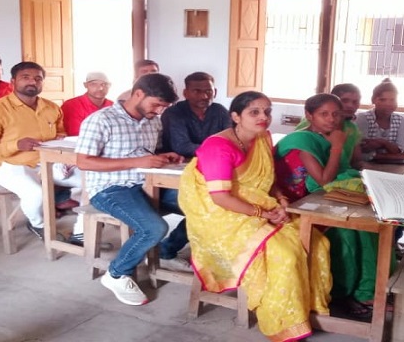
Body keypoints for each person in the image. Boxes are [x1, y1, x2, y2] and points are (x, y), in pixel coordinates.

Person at [179, 91, 332, 341]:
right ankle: (283, 321)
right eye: (254, 112)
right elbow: (220, 198)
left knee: (315, 241)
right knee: (285, 253)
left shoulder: (262, 138)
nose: (264, 117)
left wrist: (281, 201)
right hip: (222, 216)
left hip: (256, 207)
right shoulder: (218, 146)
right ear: (236, 116)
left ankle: (308, 306)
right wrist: (264, 213)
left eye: (267, 111)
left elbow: (266, 181)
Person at [75, 73, 188, 306]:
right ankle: (116, 273)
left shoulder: (153, 120)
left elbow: (146, 154)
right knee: (154, 227)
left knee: (204, 205)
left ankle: (167, 252)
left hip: (147, 182)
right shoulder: (100, 120)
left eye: (164, 107)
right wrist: (138, 162)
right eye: (156, 104)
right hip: (110, 189)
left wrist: (161, 157)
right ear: (138, 94)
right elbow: (84, 162)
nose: (159, 111)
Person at [275, 93, 376, 320]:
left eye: (335, 114)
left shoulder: (328, 135)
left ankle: (364, 289)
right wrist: (337, 146)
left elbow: (341, 171)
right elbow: (324, 180)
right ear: (309, 115)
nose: (331, 119)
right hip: (292, 207)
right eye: (323, 114)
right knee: (345, 231)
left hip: (316, 199)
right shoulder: (304, 141)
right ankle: (342, 293)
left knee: (367, 226)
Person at [0, 61, 81, 241]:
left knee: (93, 180)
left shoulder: (51, 107)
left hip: (47, 162)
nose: (32, 82)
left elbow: (60, 132)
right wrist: (16, 145)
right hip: (9, 165)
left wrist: (61, 138)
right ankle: (39, 224)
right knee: (36, 193)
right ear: (12, 82)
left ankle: (81, 232)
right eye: (26, 78)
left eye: (38, 79)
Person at [160, 72, 231, 159]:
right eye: (196, 91)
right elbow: (181, 147)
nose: (204, 96)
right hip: (178, 163)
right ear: (185, 94)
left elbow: (232, 138)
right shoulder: (174, 112)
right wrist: (217, 150)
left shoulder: (220, 111)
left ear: (215, 92)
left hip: (215, 160)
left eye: (208, 91)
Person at [356, 79, 404, 162]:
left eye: (393, 100)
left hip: (394, 166)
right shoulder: (363, 118)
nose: (388, 104)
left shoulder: (400, 120)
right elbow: (362, 152)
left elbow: (403, 150)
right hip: (367, 166)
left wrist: (383, 142)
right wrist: (396, 155)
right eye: (382, 100)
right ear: (373, 100)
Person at [62, 71, 113, 136]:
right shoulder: (72, 105)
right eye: (94, 84)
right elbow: (75, 134)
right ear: (85, 85)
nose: (100, 88)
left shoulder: (113, 106)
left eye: (104, 84)